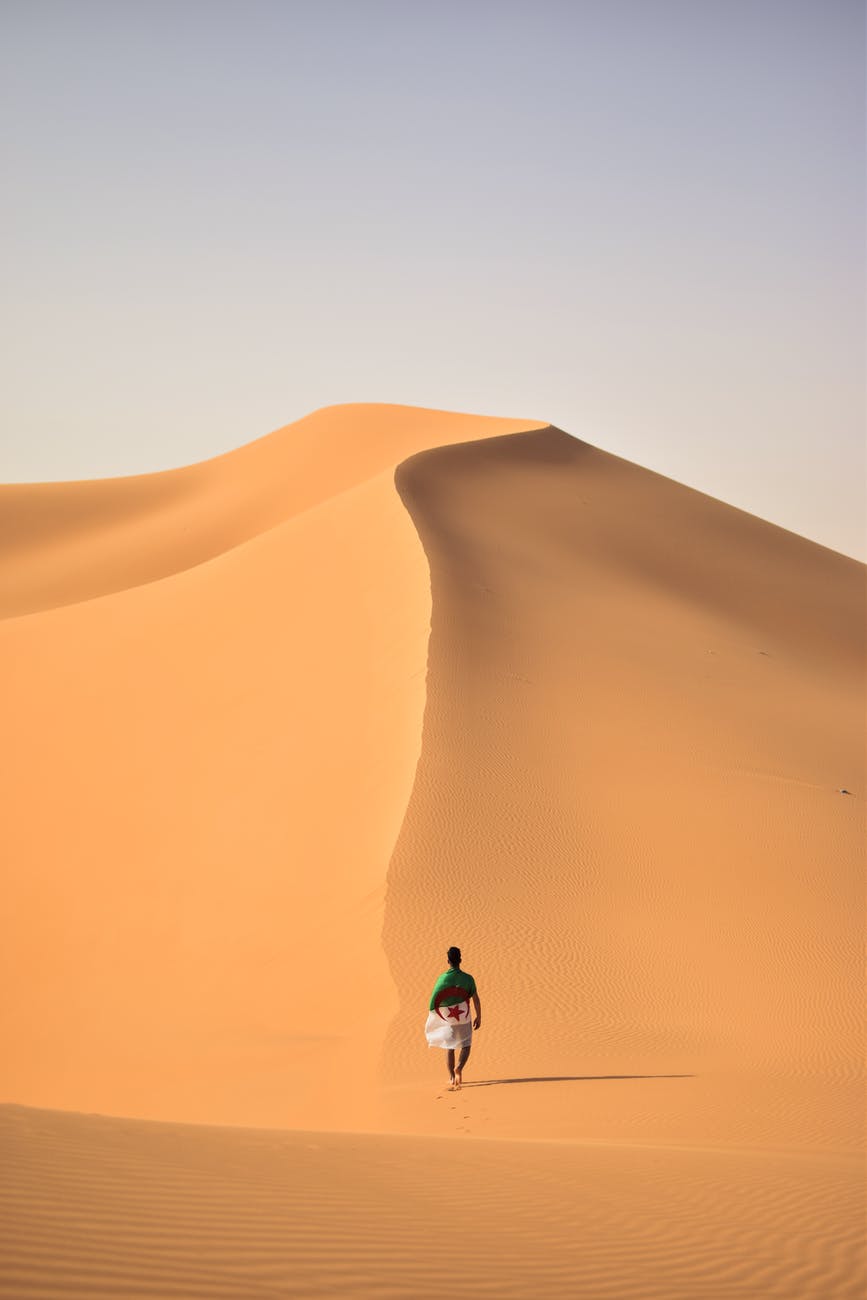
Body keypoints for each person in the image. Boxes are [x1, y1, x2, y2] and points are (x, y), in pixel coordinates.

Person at [424, 945, 481, 1090]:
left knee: (450, 1047)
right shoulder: (468, 979)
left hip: (448, 1019)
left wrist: (435, 1014)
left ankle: (451, 1077)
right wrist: (479, 1016)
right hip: (464, 1018)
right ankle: (459, 1068)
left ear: (448, 961)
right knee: (466, 1045)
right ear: (460, 960)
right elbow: (476, 998)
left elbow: (434, 999)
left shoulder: (442, 979)